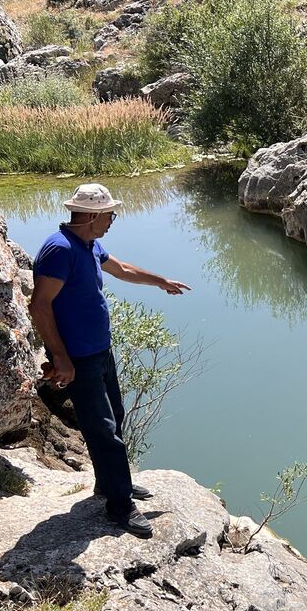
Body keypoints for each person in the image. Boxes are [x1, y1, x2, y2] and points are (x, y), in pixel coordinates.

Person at [28, 184, 191, 536]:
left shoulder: (88, 244)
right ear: (90, 216)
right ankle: (120, 505)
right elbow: (39, 305)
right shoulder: (59, 250)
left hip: (100, 351)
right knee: (102, 429)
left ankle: (111, 483)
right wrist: (61, 357)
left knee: (114, 419)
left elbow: (122, 269)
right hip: (78, 358)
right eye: (109, 215)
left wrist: (160, 281)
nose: (112, 221)